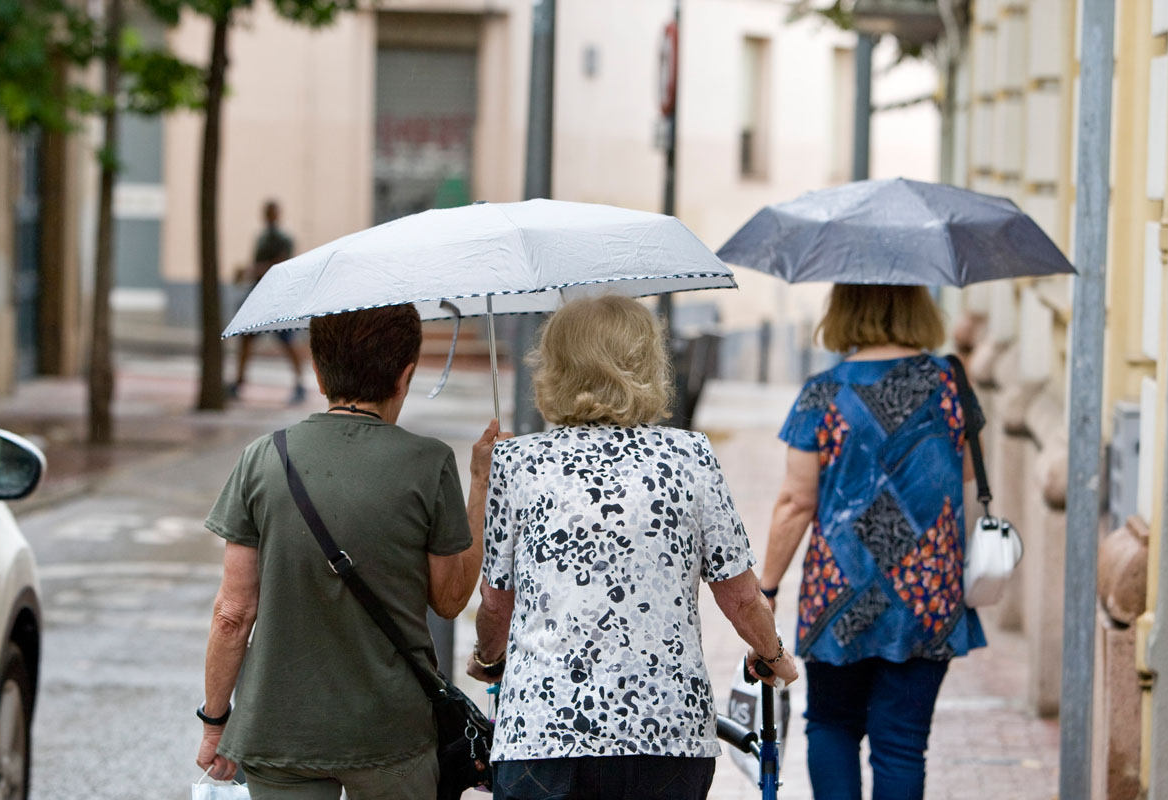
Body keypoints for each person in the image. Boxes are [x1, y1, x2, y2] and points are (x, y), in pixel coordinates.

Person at [466, 295, 798, 800]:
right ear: (646, 363)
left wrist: (488, 658)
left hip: (543, 735)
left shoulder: (518, 462)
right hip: (665, 733)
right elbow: (740, 596)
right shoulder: (690, 455)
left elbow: (496, 602)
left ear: (555, 366)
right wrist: (773, 655)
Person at [195, 303, 500, 799]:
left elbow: (232, 614)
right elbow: (448, 601)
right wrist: (482, 484)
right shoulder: (430, 463)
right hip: (391, 735)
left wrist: (215, 721)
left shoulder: (263, 458)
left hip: (280, 732)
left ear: (317, 372)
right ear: (406, 373)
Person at [759, 284, 986, 800]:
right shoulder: (950, 383)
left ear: (843, 308)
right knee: (902, 744)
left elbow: (796, 502)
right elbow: (968, 471)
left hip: (842, 592)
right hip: (926, 592)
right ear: (918, 307)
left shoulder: (824, 390)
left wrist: (766, 588)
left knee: (832, 725)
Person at [230, 200, 306, 404]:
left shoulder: (283, 239)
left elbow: (278, 265)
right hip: (259, 294)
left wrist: (251, 270)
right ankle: (239, 381)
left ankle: (300, 384)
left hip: (277, 297)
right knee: (246, 337)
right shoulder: (262, 238)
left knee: (287, 341)